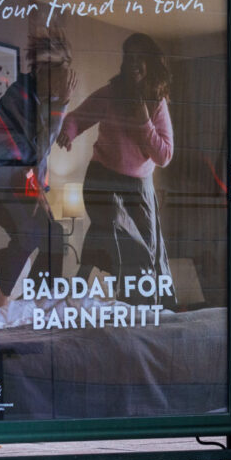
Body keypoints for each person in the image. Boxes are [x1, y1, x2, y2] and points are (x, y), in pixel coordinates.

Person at [57, 33, 176, 308]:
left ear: (148, 62)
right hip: (103, 177)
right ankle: (125, 303)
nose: (133, 64)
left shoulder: (157, 104)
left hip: (139, 186)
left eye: (139, 58)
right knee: (123, 237)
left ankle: (148, 305)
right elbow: (78, 117)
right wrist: (69, 132)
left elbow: (164, 156)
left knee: (150, 248)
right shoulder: (111, 93)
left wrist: (144, 119)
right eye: (129, 58)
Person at [0, 28, 77, 310]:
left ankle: (37, 300)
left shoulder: (44, 99)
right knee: (29, 234)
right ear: (44, 70)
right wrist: (62, 105)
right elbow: (37, 149)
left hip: (21, 176)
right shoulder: (19, 95)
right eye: (60, 76)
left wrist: (39, 190)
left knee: (53, 233)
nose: (64, 84)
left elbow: (36, 158)